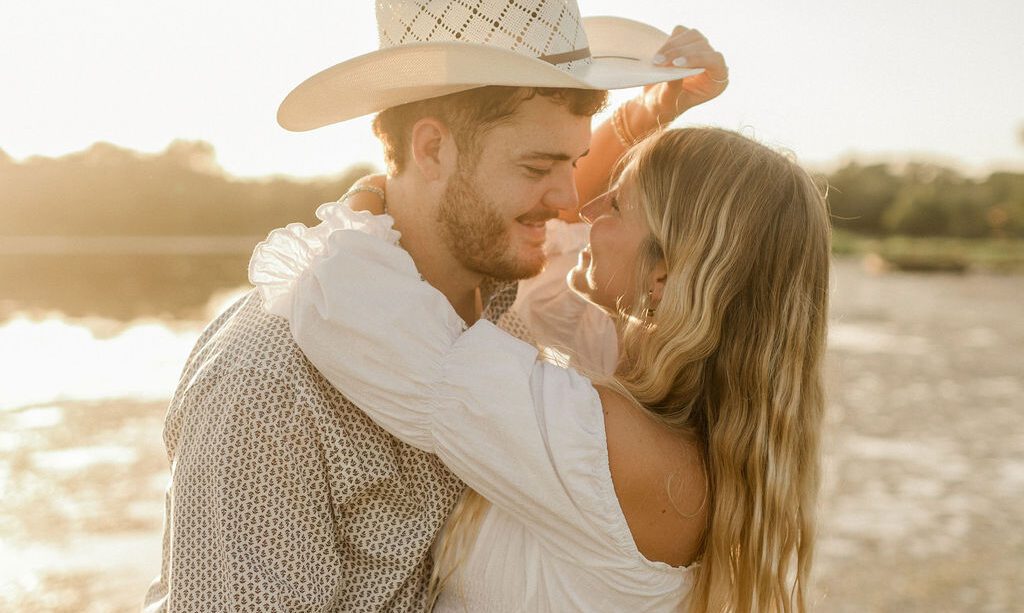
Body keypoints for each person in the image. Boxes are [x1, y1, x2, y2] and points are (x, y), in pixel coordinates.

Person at [143, 0, 728, 611]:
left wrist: (659, 107)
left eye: (574, 164)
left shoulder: (518, 307)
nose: (568, 200)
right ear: (431, 150)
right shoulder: (269, 384)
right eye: (538, 166)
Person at [255, 127, 831, 611]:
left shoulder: (608, 446)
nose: (588, 209)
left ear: (662, 276)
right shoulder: (690, 449)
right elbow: (548, 274)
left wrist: (377, 190)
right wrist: (650, 114)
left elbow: (347, 301)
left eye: (619, 204)